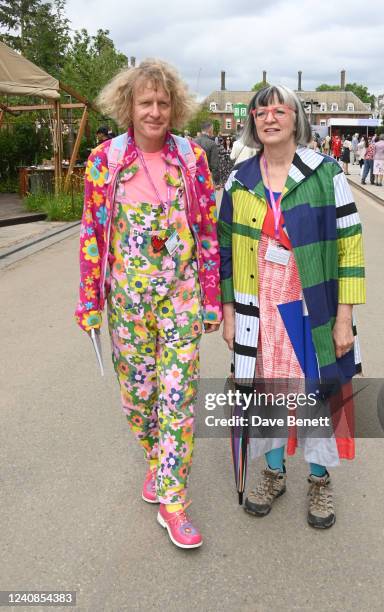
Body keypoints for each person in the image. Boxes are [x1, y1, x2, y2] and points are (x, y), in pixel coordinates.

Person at [75, 58, 222, 549]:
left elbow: (205, 229)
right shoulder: (106, 160)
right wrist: (89, 301)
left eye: (163, 102)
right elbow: (92, 235)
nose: (155, 111)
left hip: (180, 301)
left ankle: (174, 499)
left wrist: (209, 298)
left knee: (177, 398)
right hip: (127, 304)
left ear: (174, 106)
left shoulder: (192, 159)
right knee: (138, 400)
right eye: (146, 102)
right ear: (128, 106)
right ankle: (157, 464)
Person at [218, 85, 365, 529]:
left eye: (279, 111)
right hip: (257, 309)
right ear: (253, 122)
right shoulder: (239, 179)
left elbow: (350, 247)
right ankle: (274, 471)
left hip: (310, 308)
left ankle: (319, 480)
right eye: (260, 112)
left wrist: (344, 318)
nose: (269, 118)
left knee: (315, 393)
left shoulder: (325, 172)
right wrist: (228, 312)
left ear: (295, 119)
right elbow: (223, 250)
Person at [194, 122, 220, 186]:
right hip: (207, 177)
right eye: (212, 129)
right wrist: (216, 182)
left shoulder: (193, 142)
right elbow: (214, 165)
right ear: (210, 130)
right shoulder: (212, 144)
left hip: (194, 176)